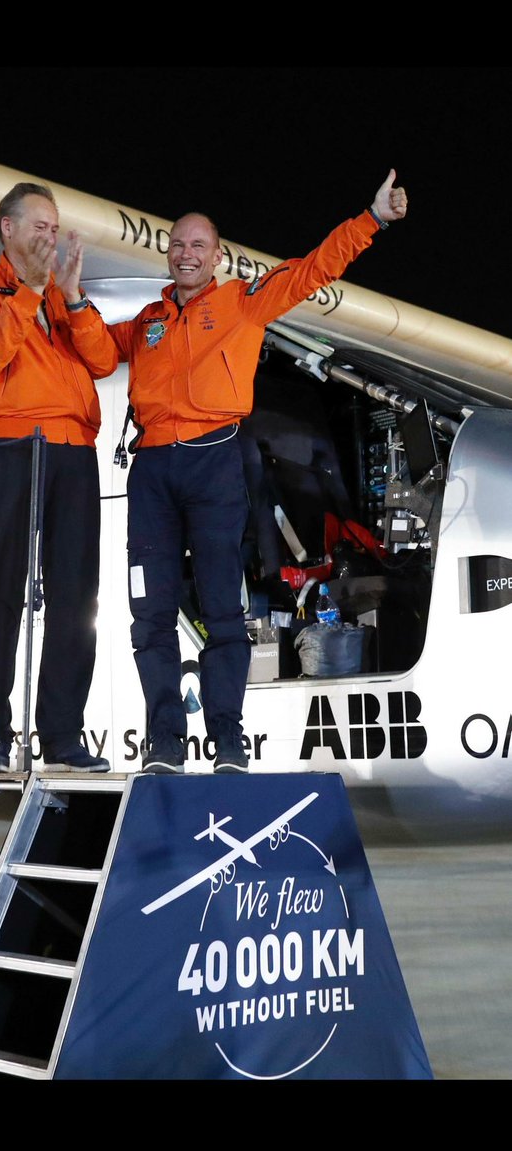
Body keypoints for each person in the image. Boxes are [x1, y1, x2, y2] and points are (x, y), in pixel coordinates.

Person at [69, 170, 408, 775]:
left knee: (224, 610)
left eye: (198, 245)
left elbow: (309, 272)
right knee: (150, 613)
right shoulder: (147, 321)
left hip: (214, 463)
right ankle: (164, 743)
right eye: (178, 244)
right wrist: (73, 299)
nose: (186, 253)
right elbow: (97, 355)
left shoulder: (242, 303)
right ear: (168, 253)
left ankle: (228, 739)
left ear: (217, 255)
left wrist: (372, 219)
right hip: (152, 470)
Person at [0, 182, 117, 773]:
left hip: (73, 448)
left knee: (76, 596)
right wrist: (28, 292)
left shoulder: (62, 297)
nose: (50, 237)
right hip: (9, 444)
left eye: (54, 228)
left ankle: (63, 737)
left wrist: (71, 298)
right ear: (8, 228)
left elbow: (103, 361)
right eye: (39, 226)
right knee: (2, 587)